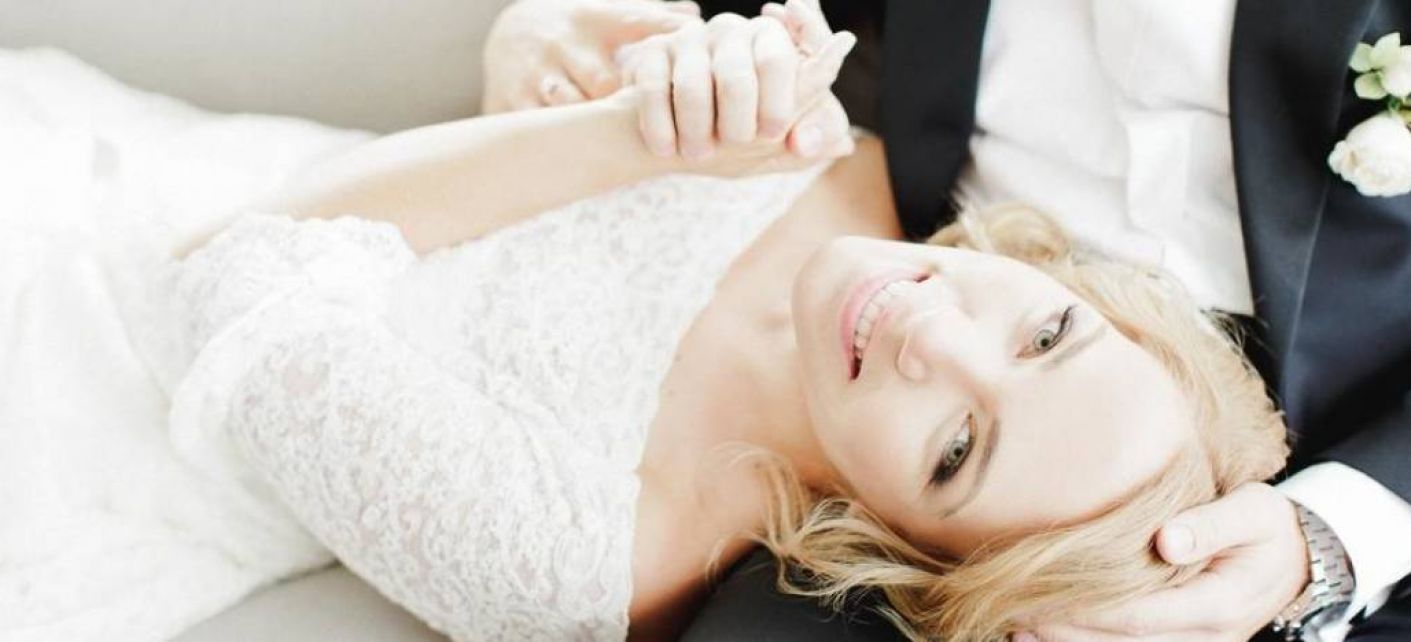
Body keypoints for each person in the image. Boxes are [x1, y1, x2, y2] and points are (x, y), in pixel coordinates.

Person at [138, 4, 1305, 642]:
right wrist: (584, 49)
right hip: (167, 142)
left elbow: (219, 283)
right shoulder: (872, 163)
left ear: (903, 547)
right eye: (1046, 337)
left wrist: (630, 137)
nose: (931, 335)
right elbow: (557, 59)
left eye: (955, 450)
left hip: (115, 374)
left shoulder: (605, 552)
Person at [478, 0, 1411, 640]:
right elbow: (715, 29)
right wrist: (546, 25)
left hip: (1314, 465)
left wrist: (1332, 536)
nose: (935, 341)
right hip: (912, 302)